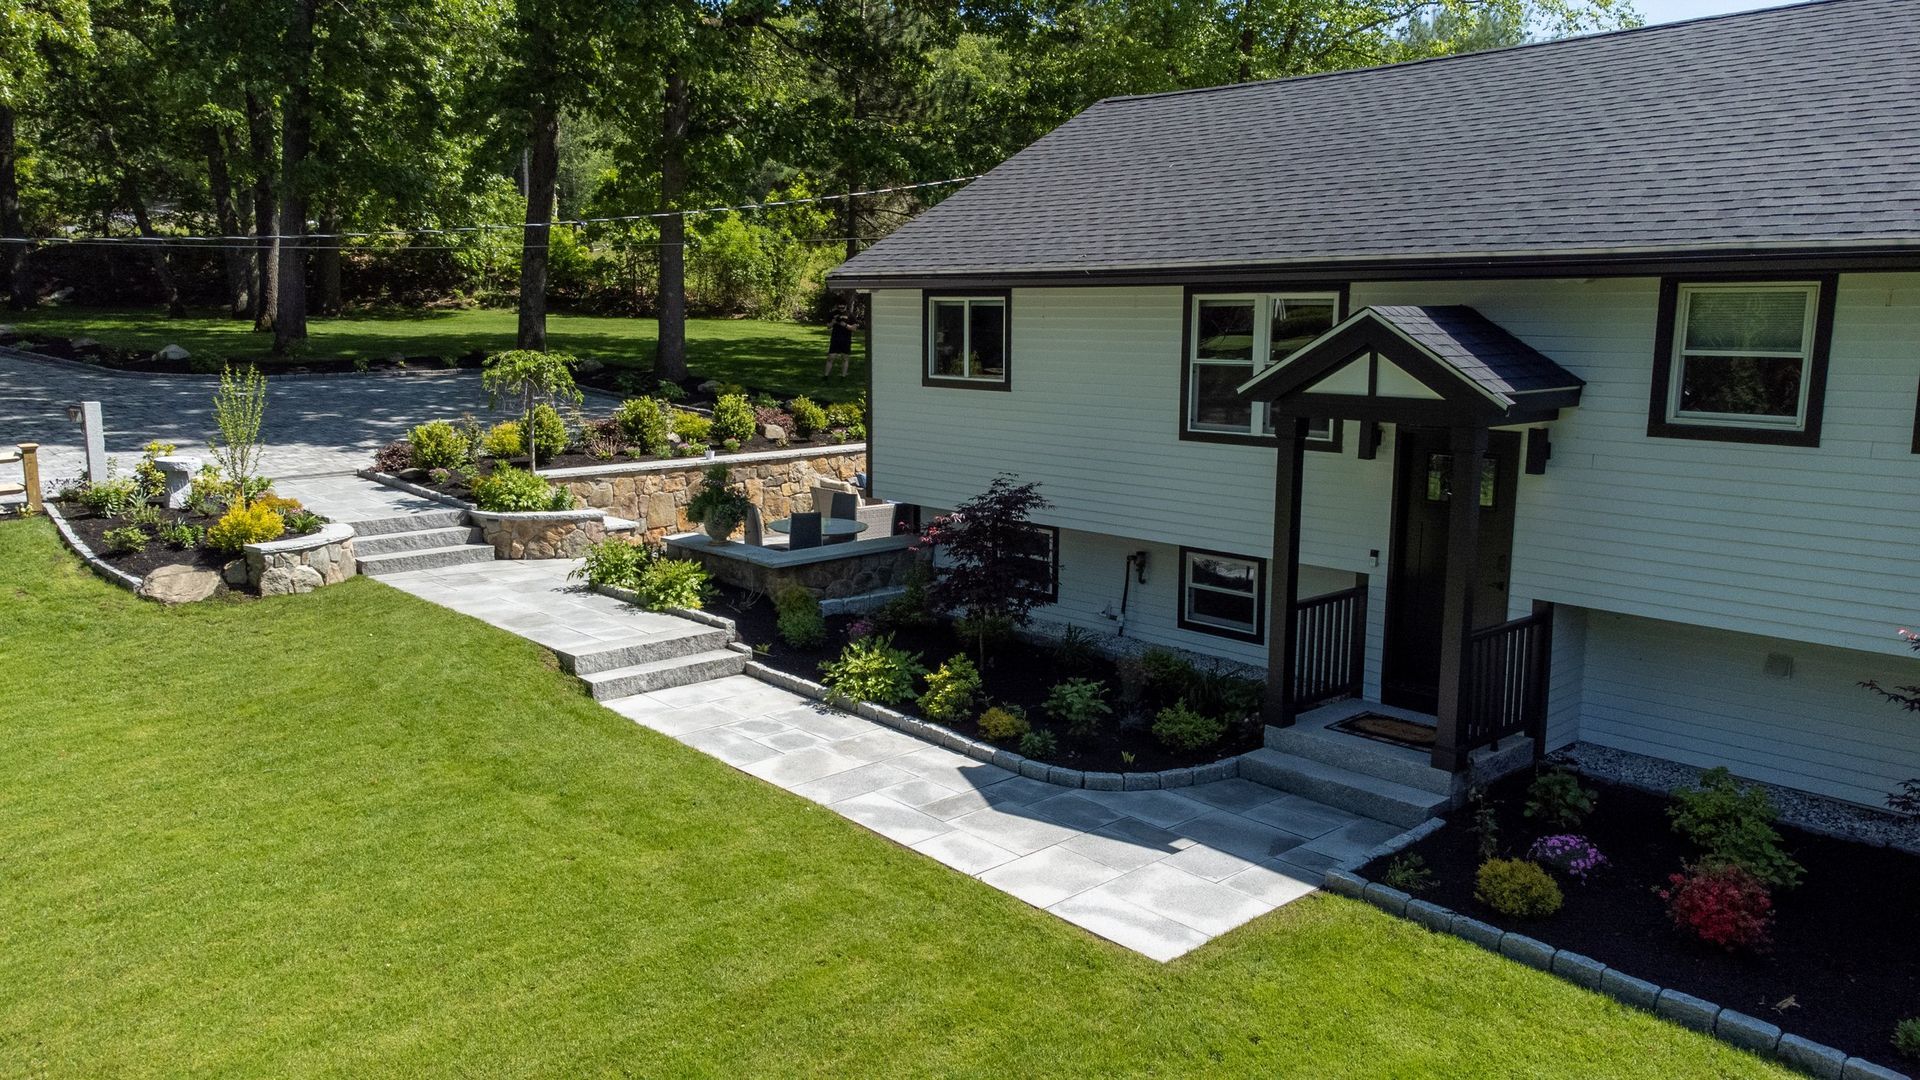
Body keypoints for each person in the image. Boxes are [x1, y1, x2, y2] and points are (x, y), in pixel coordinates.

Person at [823, 310, 855, 379]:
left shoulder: (850, 314)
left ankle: (843, 376)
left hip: (846, 340)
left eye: (843, 306)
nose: (841, 308)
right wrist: (833, 322)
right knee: (830, 357)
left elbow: (854, 328)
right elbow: (828, 326)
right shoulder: (833, 314)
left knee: (845, 358)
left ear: (845, 306)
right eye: (839, 306)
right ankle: (826, 376)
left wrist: (845, 325)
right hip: (835, 339)